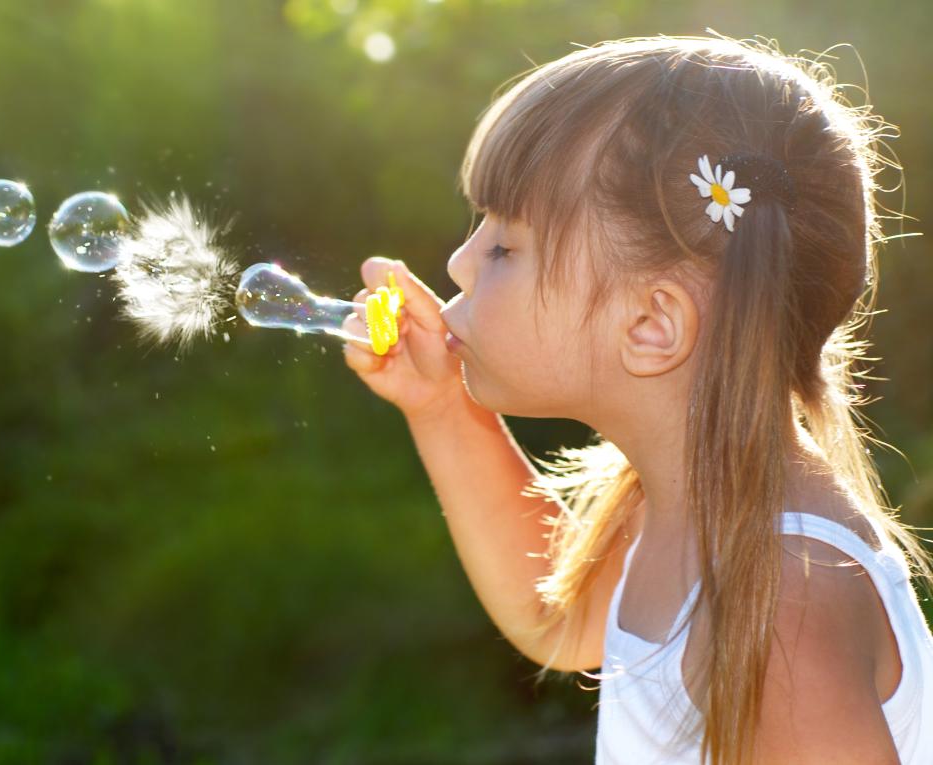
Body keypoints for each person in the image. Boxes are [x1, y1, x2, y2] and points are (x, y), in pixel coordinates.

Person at [342, 32, 933, 765]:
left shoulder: (786, 609)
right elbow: (554, 613)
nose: (460, 261)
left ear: (653, 325)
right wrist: (440, 406)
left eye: (504, 247)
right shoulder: (694, 495)